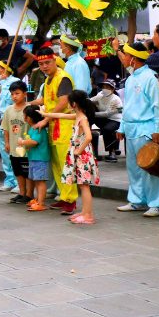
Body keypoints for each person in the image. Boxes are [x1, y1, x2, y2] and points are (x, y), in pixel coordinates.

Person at [116, 42, 159, 217]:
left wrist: (158, 128)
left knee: (151, 167)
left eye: (125, 55)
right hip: (131, 129)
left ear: (132, 58)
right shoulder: (131, 79)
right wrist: (122, 126)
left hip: (146, 128)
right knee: (134, 168)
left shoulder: (150, 77)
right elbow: (127, 106)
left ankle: (157, 203)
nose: (124, 58)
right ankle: (137, 200)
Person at [29, 47, 78, 215]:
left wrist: (46, 118)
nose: (44, 66)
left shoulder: (63, 77)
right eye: (41, 64)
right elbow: (46, 99)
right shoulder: (48, 79)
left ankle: (70, 200)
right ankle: (64, 197)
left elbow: (63, 102)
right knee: (57, 165)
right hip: (53, 125)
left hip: (64, 124)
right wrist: (29, 104)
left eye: (47, 63)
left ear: (55, 60)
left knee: (66, 163)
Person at [41, 91, 100, 224]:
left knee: (84, 186)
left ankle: (88, 215)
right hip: (80, 154)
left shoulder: (82, 118)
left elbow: (89, 136)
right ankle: (85, 212)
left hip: (82, 155)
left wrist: (79, 150)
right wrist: (45, 114)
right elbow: (60, 115)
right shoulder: (78, 116)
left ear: (74, 104)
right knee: (82, 185)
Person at [0, 60, 20, 192]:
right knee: (5, 152)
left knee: (16, 151)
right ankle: (9, 180)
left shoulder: (15, 83)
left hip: (13, 121)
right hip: (1, 123)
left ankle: (20, 181)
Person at [3, 81, 32, 204]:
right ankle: (21, 193)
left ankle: (29, 194)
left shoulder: (30, 109)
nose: (14, 96)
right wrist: (7, 143)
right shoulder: (9, 110)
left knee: (28, 171)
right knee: (18, 171)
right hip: (14, 147)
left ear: (25, 94)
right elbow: (6, 128)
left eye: (17, 93)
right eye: (12, 94)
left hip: (27, 147)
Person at [19, 106, 50, 212]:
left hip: (39, 158)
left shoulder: (37, 128)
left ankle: (41, 203)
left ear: (29, 117)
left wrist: (23, 142)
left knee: (40, 181)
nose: (24, 117)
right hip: (34, 158)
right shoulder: (33, 128)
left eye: (25, 115)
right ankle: (38, 200)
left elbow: (34, 142)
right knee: (37, 180)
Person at [90, 80, 122, 161]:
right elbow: (90, 100)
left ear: (112, 89)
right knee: (90, 122)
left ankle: (112, 152)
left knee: (108, 129)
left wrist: (94, 114)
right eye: (104, 87)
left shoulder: (116, 99)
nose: (105, 89)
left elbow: (108, 113)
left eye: (107, 87)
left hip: (116, 119)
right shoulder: (100, 95)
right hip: (103, 118)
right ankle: (94, 153)